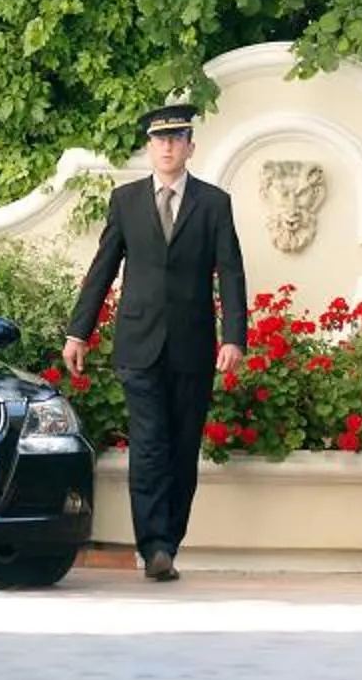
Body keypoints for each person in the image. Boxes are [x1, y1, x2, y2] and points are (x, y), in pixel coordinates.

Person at [62, 101, 247, 582]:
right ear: (149, 147)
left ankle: (170, 540)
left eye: (176, 139)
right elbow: (103, 267)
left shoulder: (214, 203)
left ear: (190, 146)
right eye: (159, 140)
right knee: (148, 444)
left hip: (192, 345)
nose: (167, 147)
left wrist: (235, 339)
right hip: (138, 344)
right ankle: (154, 546)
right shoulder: (125, 201)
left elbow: (230, 272)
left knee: (182, 448)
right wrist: (79, 330)